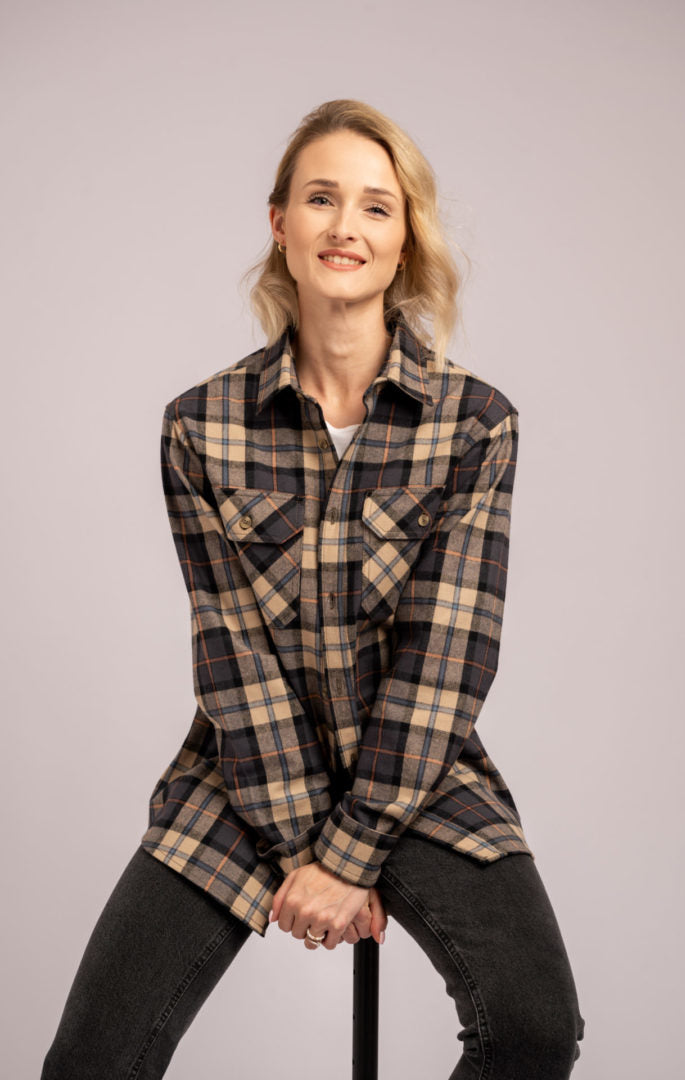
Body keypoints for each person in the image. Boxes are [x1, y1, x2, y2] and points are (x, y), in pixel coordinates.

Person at [41, 98, 586, 1079]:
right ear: (279, 223)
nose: (346, 226)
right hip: (249, 769)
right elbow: (230, 648)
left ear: (404, 236)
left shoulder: (474, 423)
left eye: (377, 206)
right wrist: (307, 850)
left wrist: (352, 849)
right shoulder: (200, 426)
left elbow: (447, 657)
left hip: (414, 771)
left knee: (534, 1026)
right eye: (322, 198)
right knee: (92, 1061)